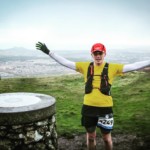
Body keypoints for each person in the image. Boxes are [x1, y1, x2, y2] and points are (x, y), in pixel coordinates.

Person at [36, 42, 150, 150]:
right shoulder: (85, 66)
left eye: (100, 53)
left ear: (104, 54)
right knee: (91, 137)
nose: (98, 56)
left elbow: (134, 66)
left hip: (105, 108)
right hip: (88, 108)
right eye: (95, 53)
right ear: (92, 54)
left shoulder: (113, 68)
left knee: (106, 139)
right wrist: (49, 52)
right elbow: (66, 62)